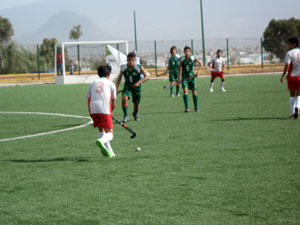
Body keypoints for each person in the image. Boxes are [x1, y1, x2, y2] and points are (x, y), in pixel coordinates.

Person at [86, 64, 117, 157]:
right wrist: (111, 112)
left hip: (93, 109)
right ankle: (101, 141)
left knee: (101, 128)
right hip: (104, 109)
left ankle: (110, 152)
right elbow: (114, 103)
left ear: (98, 74)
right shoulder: (111, 83)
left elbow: (88, 96)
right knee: (110, 134)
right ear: (109, 74)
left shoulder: (93, 83)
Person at [116, 52, 150, 122]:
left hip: (137, 88)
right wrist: (116, 88)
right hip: (127, 86)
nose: (130, 61)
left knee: (136, 104)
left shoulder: (139, 67)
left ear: (135, 60)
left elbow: (147, 77)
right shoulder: (123, 67)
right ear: (127, 60)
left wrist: (139, 82)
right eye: (129, 60)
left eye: (132, 60)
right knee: (124, 98)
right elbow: (119, 78)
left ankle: (135, 114)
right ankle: (126, 116)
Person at [178, 46, 202, 112]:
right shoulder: (182, 59)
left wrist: (198, 72)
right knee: (185, 91)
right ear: (184, 52)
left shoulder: (192, 57)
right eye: (185, 51)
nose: (186, 52)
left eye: (188, 51)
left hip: (192, 77)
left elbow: (200, 63)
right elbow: (179, 68)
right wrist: (179, 78)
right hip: (185, 78)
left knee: (194, 91)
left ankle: (196, 107)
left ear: (190, 52)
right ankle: (187, 108)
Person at [280, 37, 300, 119]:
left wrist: (283, 76)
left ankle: (292, 112)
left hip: (291, 77)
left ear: (294, 44)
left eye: (289, 43)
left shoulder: (289, 53)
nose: (287, 45)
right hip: (299, 77)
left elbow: (287, 65)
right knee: (299, 94)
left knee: (292, 94)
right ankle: (297, 108)